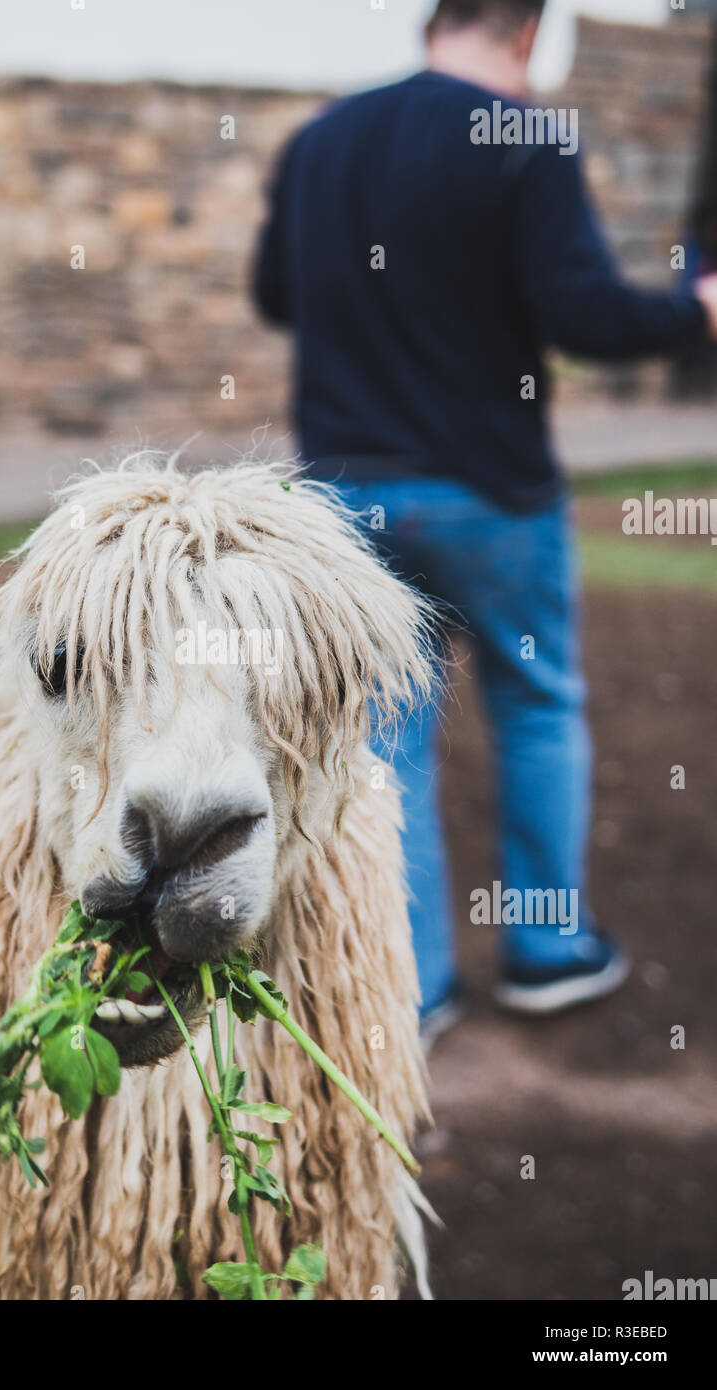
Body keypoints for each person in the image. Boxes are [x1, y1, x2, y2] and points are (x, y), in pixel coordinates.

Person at [253, 0, 717, 1042]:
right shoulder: (528, 142)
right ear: (529, 29)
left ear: (437, 20)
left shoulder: (322, 141)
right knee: (538, 703)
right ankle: (547, 949)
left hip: (345, 496)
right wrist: (697, 310)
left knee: (384, 736)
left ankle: (413, 985)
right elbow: (588, 317)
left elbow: (279, 295)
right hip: (490, 497)